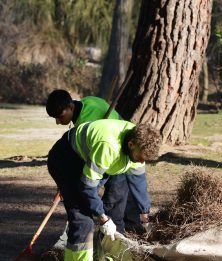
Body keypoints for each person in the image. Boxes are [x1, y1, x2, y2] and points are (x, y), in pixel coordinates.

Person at [47, 119, 161, 261]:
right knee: (83, 220)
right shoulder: (108, 146)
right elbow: (87, 187)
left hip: (88, 160)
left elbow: (138, 181)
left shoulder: (139, 144)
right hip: (66, 161)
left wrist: (145, 214)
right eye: (141, 157)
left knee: (83, 218)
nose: (142, 161)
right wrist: (103, 218)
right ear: (131, 144)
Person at [45, 89, 151, 233]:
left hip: (117, 153)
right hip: (115, 150)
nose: (58, 122)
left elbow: (92, 171)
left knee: (114, 201)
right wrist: (66, 183)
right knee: (96, 196)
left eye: (60, 116)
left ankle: (117, 235)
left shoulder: (87, 121)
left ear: (70, 107)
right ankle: (114, 230)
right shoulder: (89, 101)